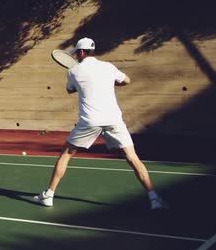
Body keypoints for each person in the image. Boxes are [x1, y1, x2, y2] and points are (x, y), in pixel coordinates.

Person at [34, 38, 168, 210]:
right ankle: (154, 198)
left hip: (89, 121)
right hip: (113, 119)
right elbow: (126, 80)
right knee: (132, 157)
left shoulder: (74, 71)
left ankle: (48, 195)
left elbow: (69, 89)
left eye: (76, 53)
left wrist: (80, 84)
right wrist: (108, 82)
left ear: (81, 52)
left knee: (66, 155)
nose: (75, 55)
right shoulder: (108, 67)